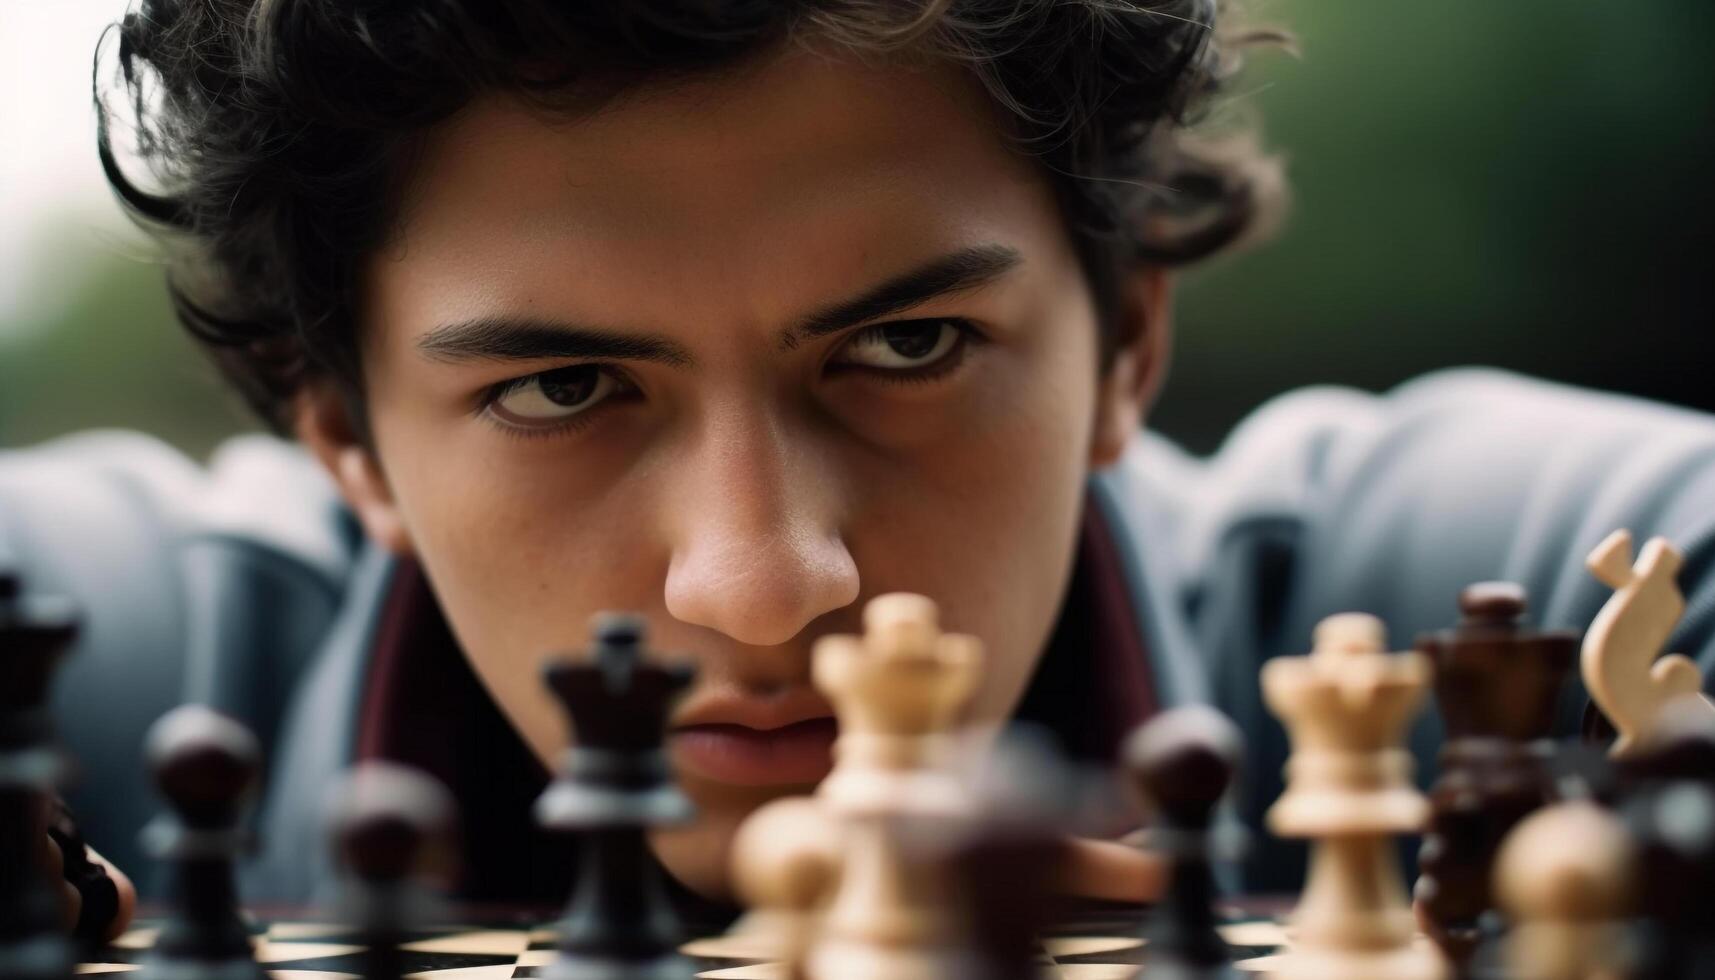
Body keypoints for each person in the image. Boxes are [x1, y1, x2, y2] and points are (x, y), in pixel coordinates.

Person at [5, 0, 1712, 941]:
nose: (761, 583)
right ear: (340, 435)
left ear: (1126, 337)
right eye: (564, 385)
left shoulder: (1534, 583)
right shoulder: (86, 649)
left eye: (907, 349)